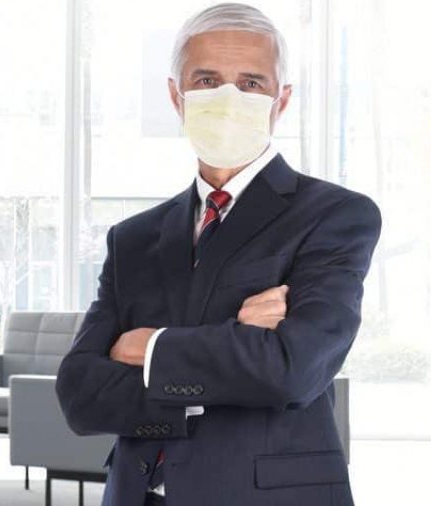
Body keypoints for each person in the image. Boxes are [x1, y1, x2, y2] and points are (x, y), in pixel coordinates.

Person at [54, 4, 381, 506]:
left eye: (251, 84)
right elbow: (80, 393)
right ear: (175, 96)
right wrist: (232, 351)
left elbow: (293, 370)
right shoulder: (133, 238)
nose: (229, 100)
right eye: (206, 81)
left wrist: (151, 347)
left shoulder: (335, 216)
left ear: (282, 100)